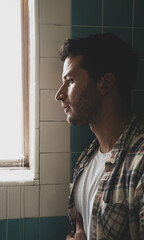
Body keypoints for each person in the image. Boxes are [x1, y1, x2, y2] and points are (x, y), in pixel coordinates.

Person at [55, 33, 144, 240]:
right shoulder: (85, 161)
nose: (59, 94)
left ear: (104, 84)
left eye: (70, 81)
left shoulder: (140, 164)